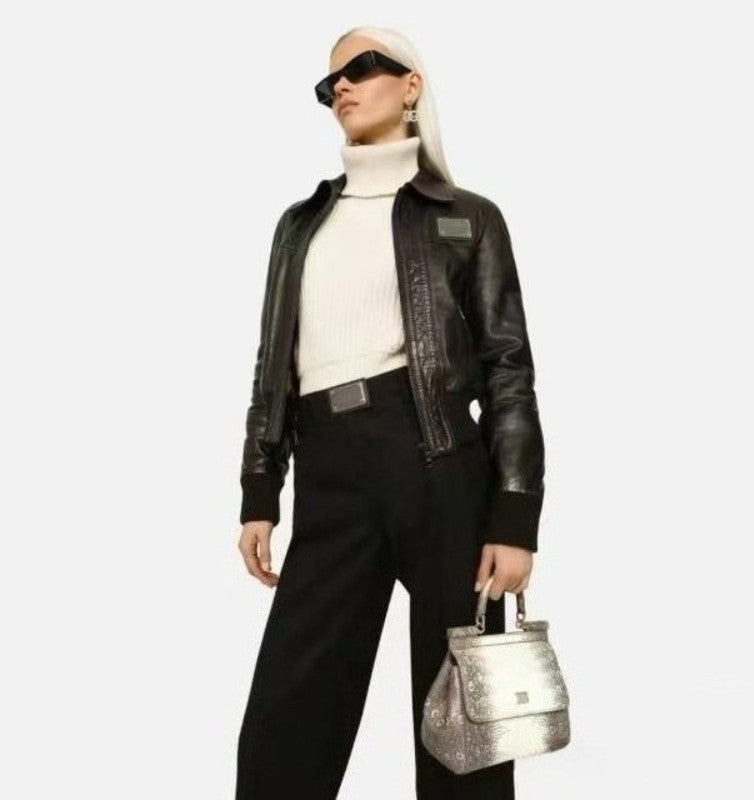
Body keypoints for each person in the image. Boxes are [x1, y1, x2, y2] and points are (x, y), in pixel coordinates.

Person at [235, 25, 546, 800]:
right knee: (286, 719)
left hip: (437, 461)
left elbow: (508, 367)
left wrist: (514, 513)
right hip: (330, 469)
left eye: (363, 67)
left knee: (463, 725)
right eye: (329, 82)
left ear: (411, 86)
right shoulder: (300, 225)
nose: (342, 86)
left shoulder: (469, 217)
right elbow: (272, 365)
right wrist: (260, 487)